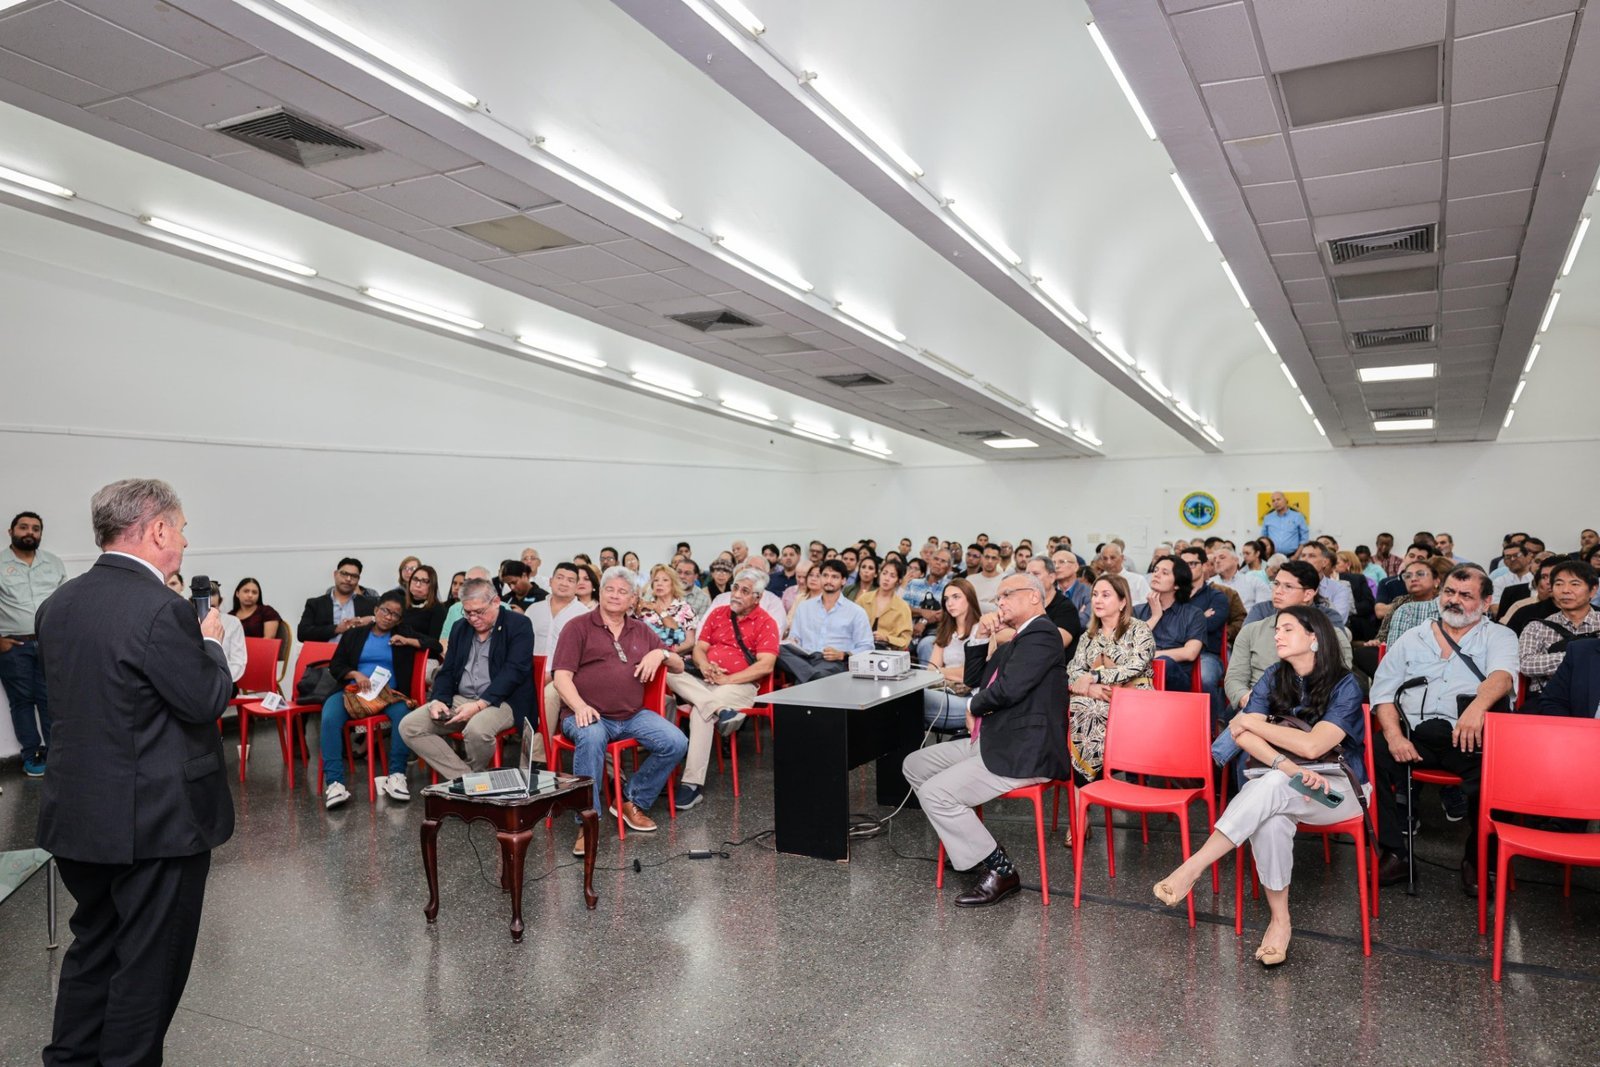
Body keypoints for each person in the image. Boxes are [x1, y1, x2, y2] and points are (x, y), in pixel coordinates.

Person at [35, 478, 233, 1064]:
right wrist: (211, 643)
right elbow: (203, 700)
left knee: (94, 947)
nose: (186, 542)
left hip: (78, 814)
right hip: (154, 822)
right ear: (158, 530)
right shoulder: (161, 609)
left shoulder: (58, 604)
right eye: (183, 529)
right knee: (149, 968)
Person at [1154, 607, 1368, 966]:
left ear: (1314, 637)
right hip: (1287, 781)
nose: (1277, 635)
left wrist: (1253, 723)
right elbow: (1241, 736)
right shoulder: (1274, 675)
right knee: (1270, 816)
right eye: (1277, 629)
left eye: (1287, 629)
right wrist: (1286, 766)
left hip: (1337, 790)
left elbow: (1313, 746)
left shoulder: (1345, 684)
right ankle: (1280, 922)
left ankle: (1193, 867)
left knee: (1270, 786)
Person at [903, 573, 1070, 907]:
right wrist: (980, 637)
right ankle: (969, 847)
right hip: (995, 738)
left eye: (1007, 594)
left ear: (1033, 596)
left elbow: (1008, 690)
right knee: (915, 764)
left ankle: (1000, 868)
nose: (1000, 602)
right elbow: (975, 678)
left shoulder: (1042, 634)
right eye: (998, 597)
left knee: (936, 794)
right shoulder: (1019, 638)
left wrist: (972, 706)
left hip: (1024, 751)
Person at [1368, 568, 1517, 894]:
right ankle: (1395, 853)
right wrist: (1394, 737)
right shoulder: (1413, 637)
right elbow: (1382, 693)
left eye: (1466, 595)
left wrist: (1477, 709)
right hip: (1414, 734)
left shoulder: (1499, 636)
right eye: (1449, 592)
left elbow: (1502, 678)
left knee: (1497, 773)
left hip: (1468, 735)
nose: (1454, 600)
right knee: (1373, 755)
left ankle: (1477, 859)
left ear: (1486, 601)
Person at [555, 567, 688, 851]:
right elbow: (561, 677)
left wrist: (661, 652)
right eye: (610, 589)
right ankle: (587, 823)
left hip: (631, 714)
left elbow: (679, 665)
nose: (615, 595)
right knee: (591, 737)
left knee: (676, 741)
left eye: (622, 591)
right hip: (587, 713)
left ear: (632, 599)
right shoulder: (577, 627)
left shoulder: (641, 629)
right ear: (600, 592)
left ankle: (632, 800)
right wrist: (580, 706)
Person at [398, 578, 533, 782]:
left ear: (496, 602)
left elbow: (514, 671)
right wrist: (439, 699)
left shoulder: (518, 624)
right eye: (468, 612)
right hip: (462, 697)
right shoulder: (460, 627)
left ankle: (473, 781)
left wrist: (479, 705)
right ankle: (469, 779)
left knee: (477, 730)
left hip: (502, 700)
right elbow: (448, 670)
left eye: (479, 612)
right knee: (409, 726)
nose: (473, 618)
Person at [668, 567, 779, 809]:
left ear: (758, 597)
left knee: (701, 713)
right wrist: (705, 666)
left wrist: (729, 679)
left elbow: (766, 665)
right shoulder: (718, 613)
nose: (736, 594)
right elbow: (699, 648)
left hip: (739, 685)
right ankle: (721, 710)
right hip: (706, 680)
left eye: (745, 591)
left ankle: (691, 785)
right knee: (669, 672)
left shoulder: (766, 623)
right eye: (735, 588)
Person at [317, 591, 420, 808]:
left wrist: (407, 640)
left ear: (399, 620)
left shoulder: (401, 637)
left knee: (404, 716)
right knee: (329, 718)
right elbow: (336, 665)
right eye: (385, 610)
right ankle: (335, 784)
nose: (388, 617)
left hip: (388, 695)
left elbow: (434, 645)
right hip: (353, 692)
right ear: (375, 610)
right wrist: (355, 674)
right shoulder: (355, 635)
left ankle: (397, 776)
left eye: (395, 614)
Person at [1065, 574, 1155, 797]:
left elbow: (1134, 667)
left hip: (1135, 697)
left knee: (1087, 709)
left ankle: (1086, 785)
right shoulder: (1088, 636)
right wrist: (1089, 687)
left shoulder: (1139, 629)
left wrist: (1094, 676)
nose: (1097, 600)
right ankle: (1086, 787)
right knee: (1081, 706)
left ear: (1123, 602)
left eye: (1106, 595)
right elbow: (1073, 670)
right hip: (1096, 697)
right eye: (1095, 595)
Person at [1225, 560, 1352, 711]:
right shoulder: (1251, 631)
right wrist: (1245, 698)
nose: (1278, 591)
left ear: (1308, 594)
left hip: (1311, 711)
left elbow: (1340, 682)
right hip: (1256, 706)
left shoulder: (1332, 635)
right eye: (1276, 584)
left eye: (1288, 586)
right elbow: (1235, 678)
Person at [1, 510, 66, 777]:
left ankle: (57, 754)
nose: (30, 532)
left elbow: (64, 603)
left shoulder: (53, 563)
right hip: (14, 647)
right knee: (22, 702)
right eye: (24, 527)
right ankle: (32, 755)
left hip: (50, 644)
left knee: (51, 700)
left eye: (35, 529)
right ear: (11, 532)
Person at [780, 559, 873, 683]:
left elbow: (867, 646)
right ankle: (813, 678)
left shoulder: (856, 612)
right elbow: (795, 636)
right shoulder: (804, 607)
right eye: (825, 575)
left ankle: (805, 679)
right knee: (777, 649)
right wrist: (793, 642)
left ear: (843, 580)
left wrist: (843, 654)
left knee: (816, 672)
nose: (829, 580)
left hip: (832, 661)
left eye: (834, 577)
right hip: (804, 658)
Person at [1518, 559, 1600, 693]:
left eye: (1575, 584)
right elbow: (1526, 664)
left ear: (1593, 590)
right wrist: (1579, 656)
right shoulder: (1537, 627)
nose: (1565, 590)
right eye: (1559, 584)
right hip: (1546, 695)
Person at [1133, 557, 1206, 691]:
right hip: (1138, 673)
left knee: (1166, 663)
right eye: (1156, 570)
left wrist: (1152, 656)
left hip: (1175, 677)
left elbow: (1190, 652)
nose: (1156, 574)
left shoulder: (1193, 614)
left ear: (1177, 584)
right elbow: (1128, 647)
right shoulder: (1137, 611)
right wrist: (1155, 617)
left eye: (1164, 572)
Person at [923, 578, 982, 729]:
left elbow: (969, 674)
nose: (950, 603)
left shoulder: (981, 630)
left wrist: (940, 671)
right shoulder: (946, 631)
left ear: (969, 598)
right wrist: (949, 673)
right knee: (909, 698)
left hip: (969, 700)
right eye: (946, 599)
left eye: (956, 597)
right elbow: (930, 671)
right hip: (945, 691)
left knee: (916, 698)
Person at [299, 558, 377, 642]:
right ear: (335, 574)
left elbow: (383, 625)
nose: (348, 579)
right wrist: (337, 629)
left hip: (356, 650)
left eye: (354, 576)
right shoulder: (315, 604)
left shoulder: (369, 604)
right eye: (344, 574)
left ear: (358, 579)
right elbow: (302, 634)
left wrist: (373, 618)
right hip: (325, 650)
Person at [1383, 557, 1456, 643]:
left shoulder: (1448, 605)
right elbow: (1388, 640)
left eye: (1420, 574)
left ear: (1436, 581)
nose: (1413, 579)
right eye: (1408, 576)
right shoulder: (1402, 607)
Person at [636, 564, 697, 656]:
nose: (659, 584)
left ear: (673, 584)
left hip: (677, 657)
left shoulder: (685, 609)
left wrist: (665, 654)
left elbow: (690, 642)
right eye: (656, 580)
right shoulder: (645, 608)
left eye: (665, 580)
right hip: (646, 656)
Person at [858, 557, 913, 650]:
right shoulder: (864, 599)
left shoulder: (902, 606)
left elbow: (905, 640)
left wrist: (887, 638)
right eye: (884, 573)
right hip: (860, 647)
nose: (886, 578)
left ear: (899, 581)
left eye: (892, 576)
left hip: (887, 651)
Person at [399, 564, 448, 659]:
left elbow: (435, 644)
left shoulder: (437, 609)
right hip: (398, 652)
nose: (418, 584)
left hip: (423, 657)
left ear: (432, 585)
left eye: (424, 581)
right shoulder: (401, 603)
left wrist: (409, 637)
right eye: (415, 579)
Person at [1210, 543, 1268, 613]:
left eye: (1222, 557)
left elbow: (1263, 609)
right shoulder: (1209, 584)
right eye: (1214, 559)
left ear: (1236, 560)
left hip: (1249, 618)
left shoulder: (1253, 581)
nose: (1217, 561)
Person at [229, 577, 282, 641]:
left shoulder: (267, 612)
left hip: (261, 647)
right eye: (246, 591)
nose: (250, 595)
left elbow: (268, 640)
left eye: (254, 592)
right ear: (237, 593)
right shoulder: (230, 616)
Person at [1051, 548, 1093, 626]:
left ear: (1076, 566)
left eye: (1062, 562)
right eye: (1053, 563)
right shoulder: (1048, 592)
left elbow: (1083, 623)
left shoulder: (1088, 593)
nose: (1056, 566)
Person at [966, 543, 1007, 614]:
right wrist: (992, 604)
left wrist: (976, 603)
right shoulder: (970, 580)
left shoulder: (1005, 580)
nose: (989, 561)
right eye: (987, 557)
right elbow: (966, 605)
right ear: (981, 558)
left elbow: (1004, 607)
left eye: (993, 558)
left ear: (999, 560)